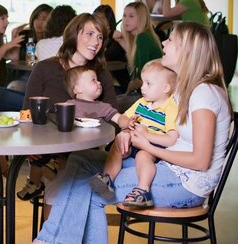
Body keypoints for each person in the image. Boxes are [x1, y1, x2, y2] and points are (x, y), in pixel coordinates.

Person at [33, 22, 231, 244]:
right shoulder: (187, 89)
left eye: (171, 40)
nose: (164, 42)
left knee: (91, 186)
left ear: (188, 51)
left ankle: (48, 241)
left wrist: (147, 145)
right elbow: (152, 122)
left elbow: (200, 161)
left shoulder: (203, 93)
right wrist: (131, 131)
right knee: (82, 160)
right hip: (168, 168)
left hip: (186, 184)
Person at [21, 13, 117, 218]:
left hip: (85, 150)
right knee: (62, 177)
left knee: (65, 178)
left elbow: (113, 119)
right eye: (90, 34)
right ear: (74, 35)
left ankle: (50, 236)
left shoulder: (101, 75)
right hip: (46, 148)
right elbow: (27, 112)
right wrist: (31, 145)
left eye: (100, 37)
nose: (96, 42)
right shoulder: (45, 68)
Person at [18, 64, 133, 201]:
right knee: (41, 155)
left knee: (64, 161)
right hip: (65, 146)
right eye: (93, 80)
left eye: (97, 79)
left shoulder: (102, 107)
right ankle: (36, 181)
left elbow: (118, 118)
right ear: (78, 89)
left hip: (87, 149)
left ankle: (47, 171)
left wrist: (127, 122)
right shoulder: (68, 105)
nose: (99, 82)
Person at [90, 59, 179, 207]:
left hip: (154, 146)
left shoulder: (170, 108)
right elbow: (124, 116)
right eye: (143, 82)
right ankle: (107, 179)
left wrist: (146, 136)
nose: (143, 88)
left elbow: (171, 140)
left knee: (143, 156)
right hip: (135, 140)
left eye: (148, 84)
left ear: (166, 88)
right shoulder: (142, 102)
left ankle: (143, 190)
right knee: (118, 143)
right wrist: (128, 123)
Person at [114, 2, 163, 111]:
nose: (126, 20)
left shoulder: (142, 37)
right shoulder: (143, 36)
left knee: (111, 105)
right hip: (151, 92)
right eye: (124, 15)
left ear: (141, 19)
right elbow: (134, 55)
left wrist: (131, 87)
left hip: (150, 96)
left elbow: (141, 74)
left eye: (131, 16)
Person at [93, 4, 130, 93]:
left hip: (117, 86)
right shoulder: (93, 38)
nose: (97, 21)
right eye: (95, 18)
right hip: (100, 84)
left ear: (109, 22)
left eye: (101, 19)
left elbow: (103, 59)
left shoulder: (117, 40)